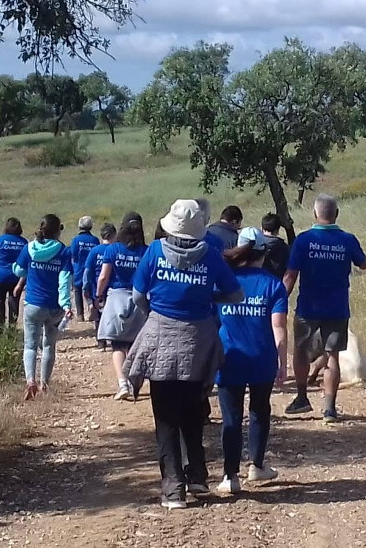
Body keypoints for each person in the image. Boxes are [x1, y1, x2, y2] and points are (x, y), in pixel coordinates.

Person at [123, 199, 243, 509]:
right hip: (198, 339)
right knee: (193, 409)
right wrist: (207, 298)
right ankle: (198, 476)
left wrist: (157, 313)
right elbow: (235, 293)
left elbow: (138, 295)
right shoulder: (212, 257)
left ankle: (173, 490)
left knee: (165, 418)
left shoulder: (155, 251)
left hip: (161, 337)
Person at [283, 194, 366, 423]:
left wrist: (279, 300)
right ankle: (330, 408)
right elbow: (364, 263)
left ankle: (302, 397)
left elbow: (291, 275)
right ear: (336, 215)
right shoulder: (347, 239)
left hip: (308, 307)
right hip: (337, 307)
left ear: (315, 214)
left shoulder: (303, 240)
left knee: (301, 352)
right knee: (332, 355)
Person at [215, 227, 287, 494]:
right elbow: (279, 328)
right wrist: (283, 362)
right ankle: (256, 465)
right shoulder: (272, 284)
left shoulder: (224, 281)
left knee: (230, 418)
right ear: (263, 253)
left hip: (229, 357)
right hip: (262, 358)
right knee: (259, 410)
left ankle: (229, 476)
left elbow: (213, 320)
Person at [12, 214, 74, 400]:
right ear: (58, 231)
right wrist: (66, 304)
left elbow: (17, 269)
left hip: (33, 304)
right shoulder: (63, 251)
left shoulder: (30, 248)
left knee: (30, 345)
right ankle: (44, 384)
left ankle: (30, 381)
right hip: (54, 306)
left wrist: (31, 270)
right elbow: (64, 281)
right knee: (49, 345)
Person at [96, 212, 150, 401]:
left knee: (118, 345)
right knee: (136, 344)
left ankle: (122, 383)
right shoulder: (147, 251)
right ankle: (134, 379)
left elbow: (103, 276)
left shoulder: (112, 250)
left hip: (116, 298)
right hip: (139, 299)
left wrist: (98, 294)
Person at [0, 218, 28, 328]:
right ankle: (12, 329)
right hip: (17, 278)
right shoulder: (24, 243)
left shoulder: (0, 240)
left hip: (0, 277)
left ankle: (0, 326)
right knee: (14, 302)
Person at [83, 223, 116, 348]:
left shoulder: (95, 251)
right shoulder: (115, 250)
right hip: (111, 287)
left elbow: (88, 271)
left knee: (98, 315)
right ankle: (113, 341)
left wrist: (85, 287)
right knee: (112, 314)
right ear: (114, 235)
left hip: (96, 287)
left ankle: (100, 341)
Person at [70, 216, 100, 320]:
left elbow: (73, 254)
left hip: (78, 269)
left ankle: (80, 315)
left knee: (77, 290)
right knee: (92, 290)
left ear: (79, 226)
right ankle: (92, 308)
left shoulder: (76, 240)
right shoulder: (95, 240)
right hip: (92, 270)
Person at [260, 213, 290, 279]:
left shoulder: (255, 245)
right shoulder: (284, 248)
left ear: (262, 228)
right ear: (277, 230)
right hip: (276, 284)